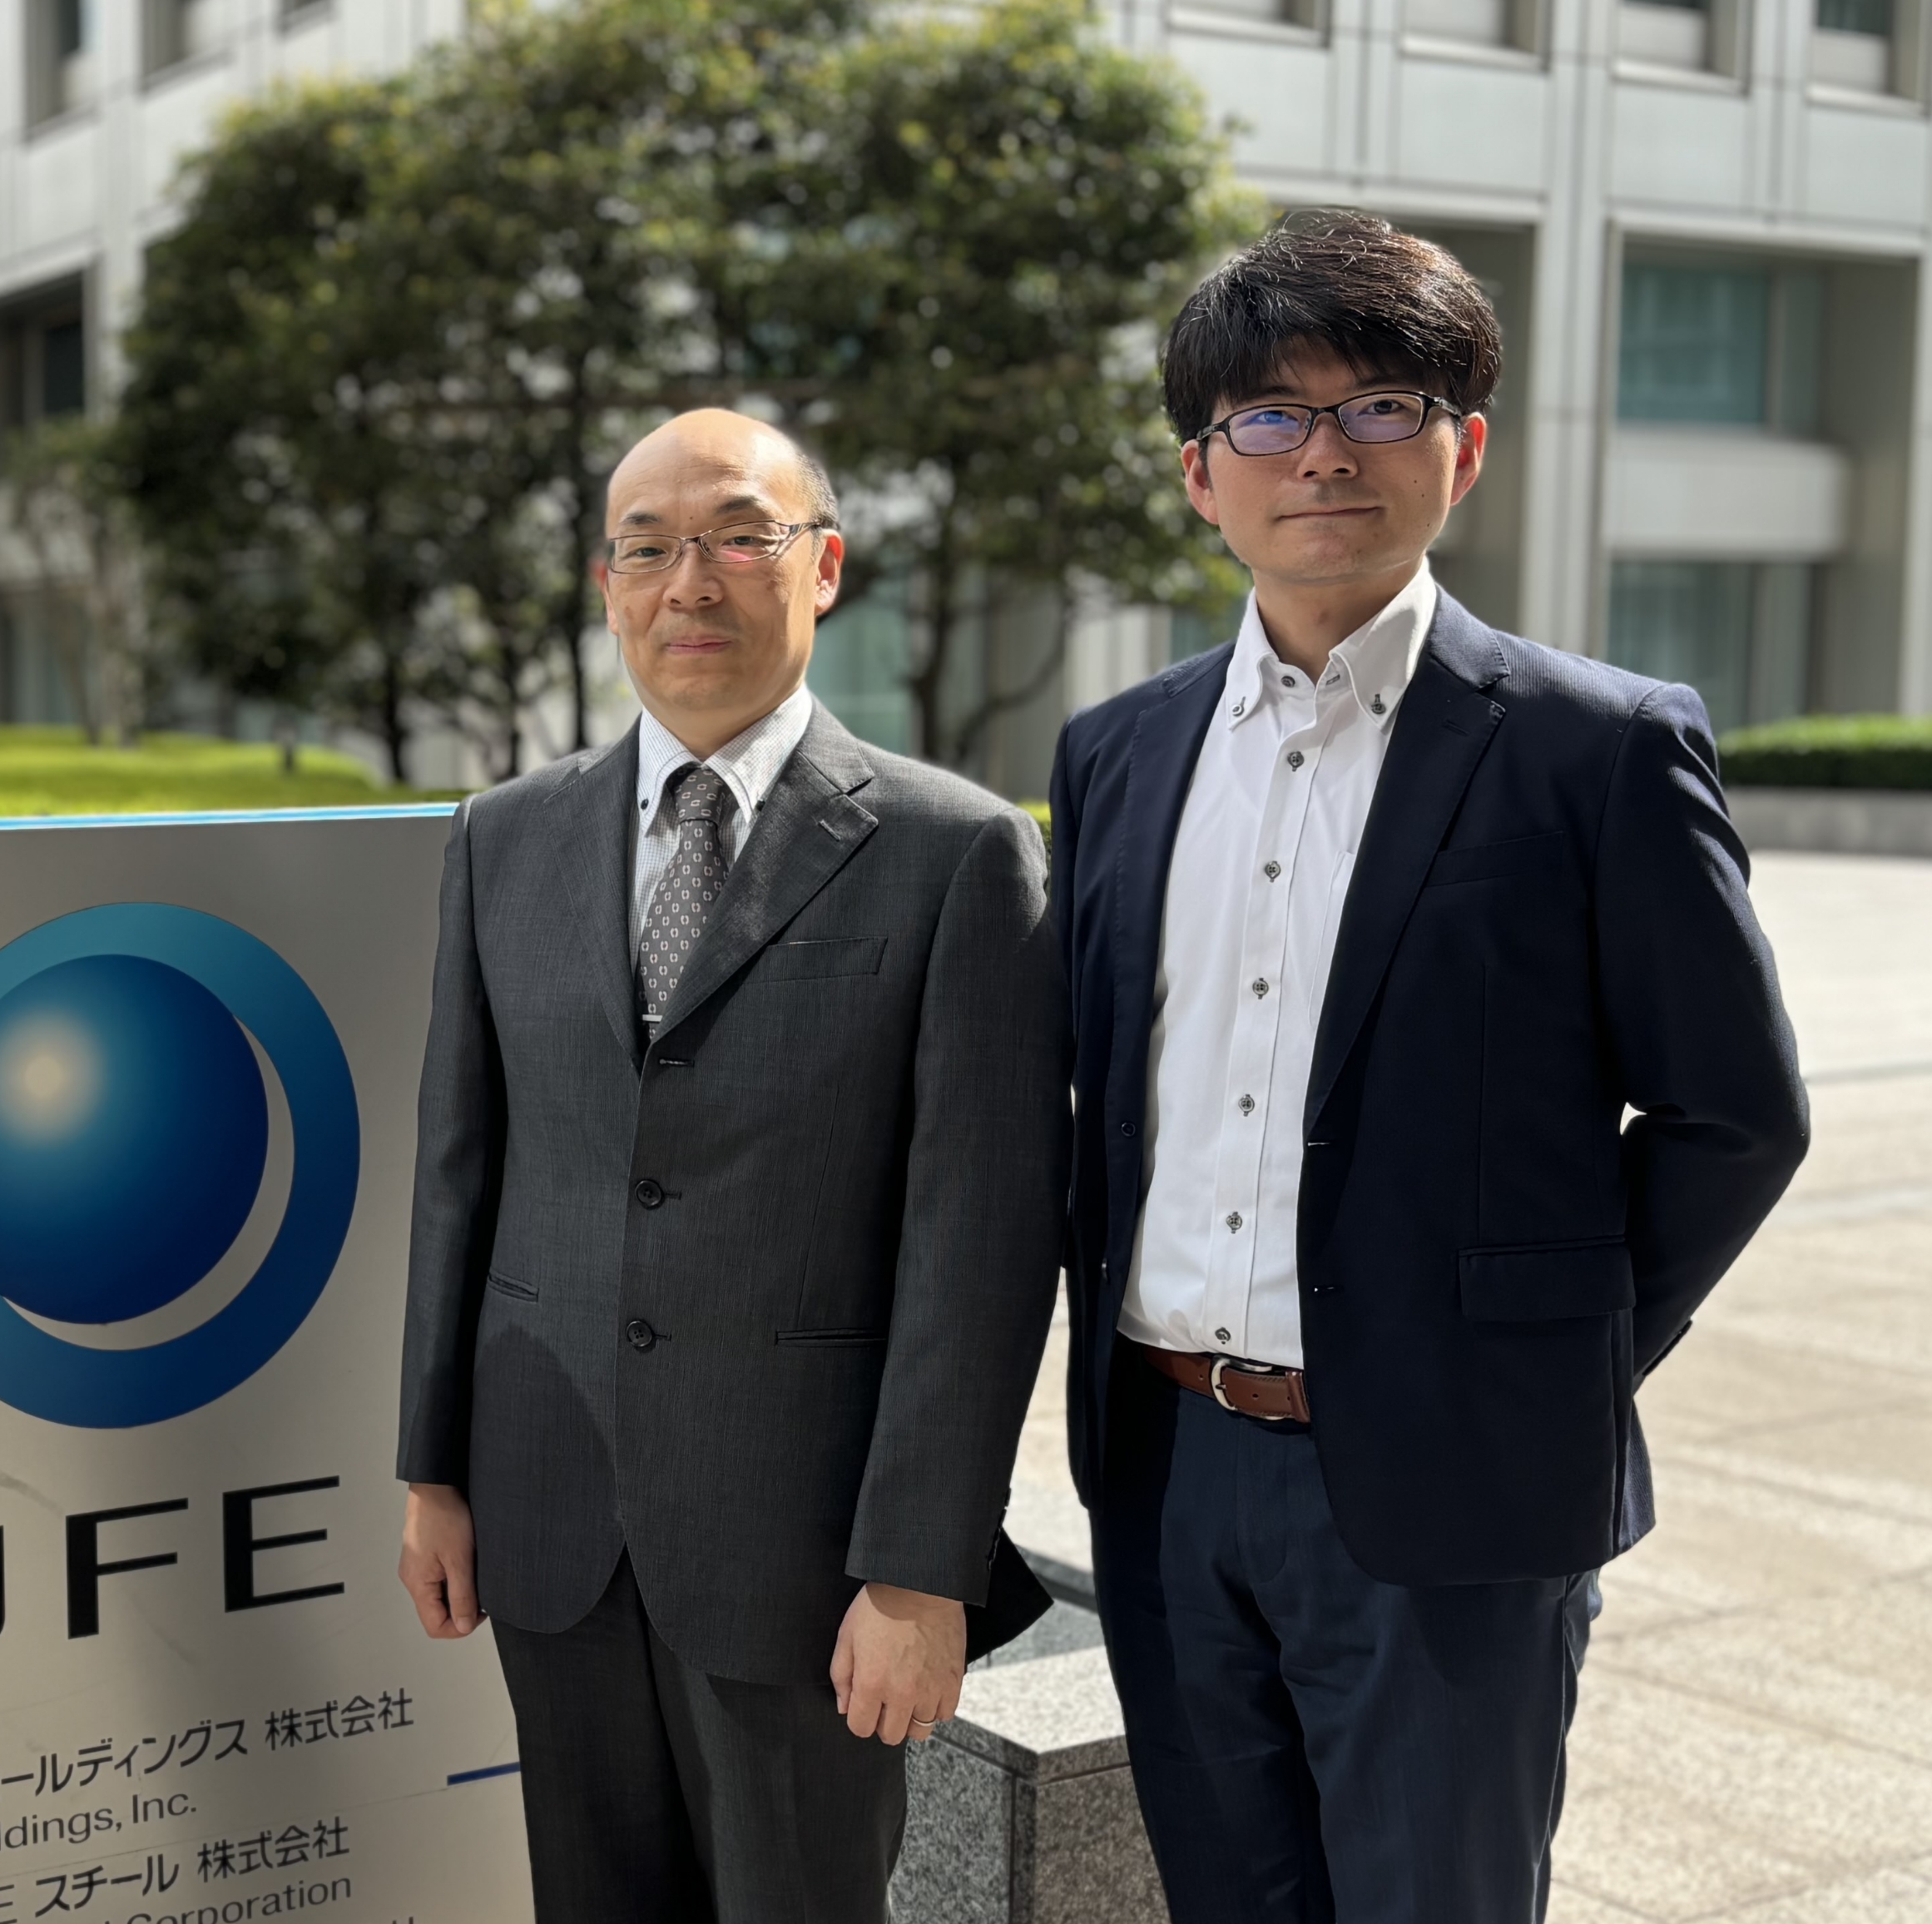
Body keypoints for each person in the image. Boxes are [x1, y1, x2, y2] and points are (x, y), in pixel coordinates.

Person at [1046, 209, 1810, 1923]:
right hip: (1167, 1472)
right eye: (1268, 416)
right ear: (1200, 475)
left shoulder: (1596, 749)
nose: (1323, 454)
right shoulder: (1115, 755)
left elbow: (1734, 1113)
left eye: (1379, 408)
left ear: (1462, 451)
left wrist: (1543, 1355)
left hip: (1454, 1484)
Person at [393, 407, 1068, 1919]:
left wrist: (921, 1570)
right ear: (608, 586)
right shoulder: (505, 838)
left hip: (807, 1552)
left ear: (822, 567)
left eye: (738, 539)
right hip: (551, 1515)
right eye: (648, 548)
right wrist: (433, 1468)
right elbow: (459, 1174)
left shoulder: (956, 853)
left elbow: (980, 1246)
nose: (689, 581)